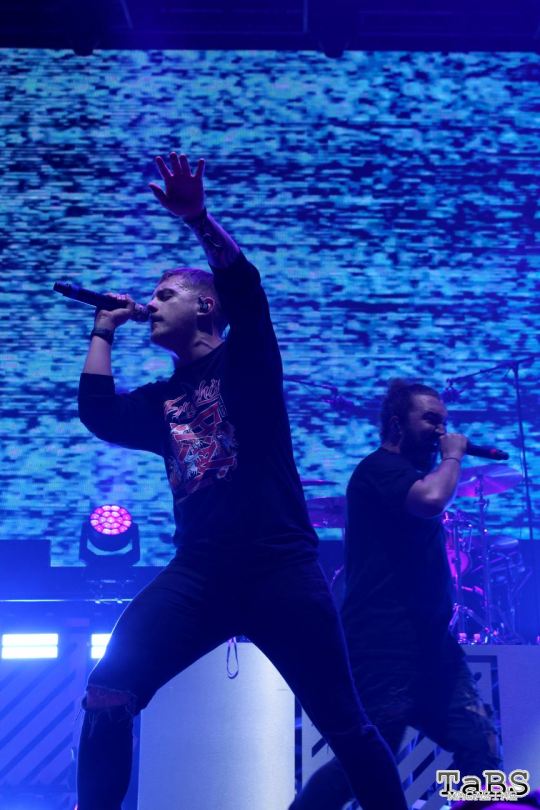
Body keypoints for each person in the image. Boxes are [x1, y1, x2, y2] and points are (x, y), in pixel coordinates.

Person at [75, 152, 408, 810]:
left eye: (165, 294)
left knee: (346, 726)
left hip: (278, 568)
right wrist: (102, 331)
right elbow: (99, 413)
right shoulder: (161, 401)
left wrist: (197, 217)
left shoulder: (245, 360)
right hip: (199, 573)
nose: (152, 304)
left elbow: (247, 288)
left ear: (205, 307)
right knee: (108, 690)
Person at [290, 379, 501, 810]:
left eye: (444, 422)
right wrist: (454, 456)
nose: (441, 430)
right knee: (365, 764)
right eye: (430, 420)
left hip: (432, 646)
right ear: (396, 424)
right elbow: (431, 500)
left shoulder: (408, 473)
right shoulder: (379, 470)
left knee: (478, 744)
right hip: (382, 646)